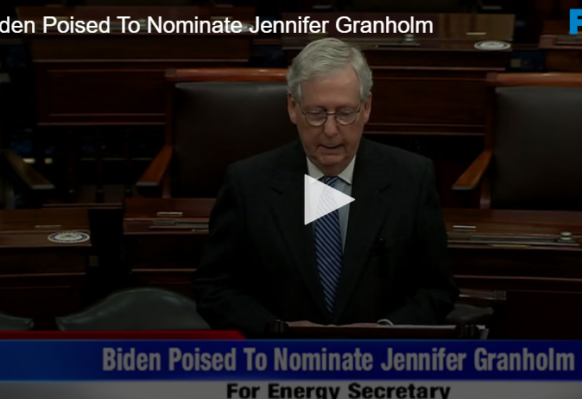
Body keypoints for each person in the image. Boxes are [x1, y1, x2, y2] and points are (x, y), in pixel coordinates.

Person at [192, 37, 458, 338]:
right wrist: (276, 332)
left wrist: (385, 332)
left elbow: (437, 289)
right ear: (293, 107)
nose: (331, 131)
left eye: (345, 113)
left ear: (367, 107)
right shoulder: (247, 182)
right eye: (316, 113)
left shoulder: (412, 177)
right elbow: (214, 288)